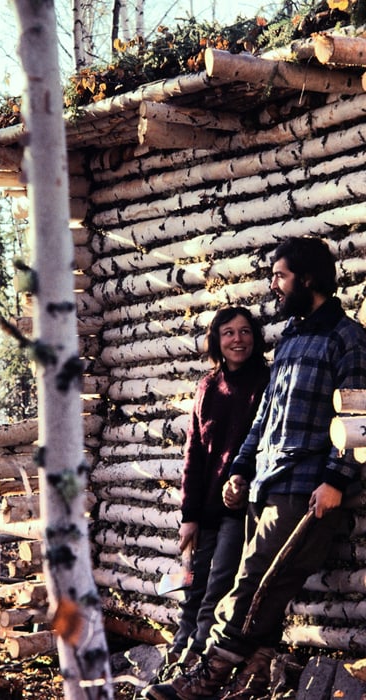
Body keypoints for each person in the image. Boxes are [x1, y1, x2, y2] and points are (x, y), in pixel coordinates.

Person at [143, 236, 366, 700]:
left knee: (253, 582)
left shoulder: (347, 338)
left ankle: (206, 677)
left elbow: (358, 418)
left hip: (307, 487)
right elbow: (265, 416)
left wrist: (335, 480)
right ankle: (256, 676)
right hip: (265, 484)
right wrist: (240, 470)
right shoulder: (290, 339)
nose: (274, 286)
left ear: (306, 279)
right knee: (263, 583)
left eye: (280, 276)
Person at [157, 306, 270, 679]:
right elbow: (194, 455)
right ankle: (177, 654)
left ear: (254, 337)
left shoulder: (265, 383)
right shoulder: (207, 387)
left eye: (245, 332)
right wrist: (188, 516)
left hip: (241, 507)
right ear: (217, 341)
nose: (238, 340)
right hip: (205, 509)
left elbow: (264, 445)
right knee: (192, 587)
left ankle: (195, 665)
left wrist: (245, 484)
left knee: (218, 587)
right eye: (228, 333)